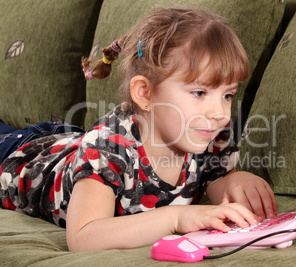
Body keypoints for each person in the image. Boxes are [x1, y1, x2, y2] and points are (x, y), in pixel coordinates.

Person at [0, 7, 277, 251]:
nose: (219, 113)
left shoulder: (212, 134)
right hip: (21, 154)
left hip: (71, 140)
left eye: (227, 95)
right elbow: (82, 236)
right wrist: (176, 219)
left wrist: (235, 182)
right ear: (145, 93)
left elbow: (218, 184)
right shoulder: (109, 149)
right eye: (199, 92)